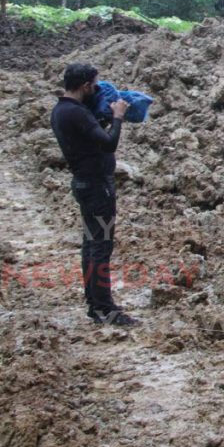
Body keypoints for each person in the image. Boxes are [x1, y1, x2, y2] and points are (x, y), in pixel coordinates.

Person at [50, 63, 139, 326]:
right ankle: (104, 308)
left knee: (91, 244)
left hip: (85, 185)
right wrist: (118, 116)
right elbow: (109, 142)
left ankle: (95, 304)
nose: (98, 89)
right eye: (95, 85)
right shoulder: (76, 113)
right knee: (100, 246)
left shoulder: (61, 110)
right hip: (97, 188)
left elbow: (91, 139)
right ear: (85, 85)